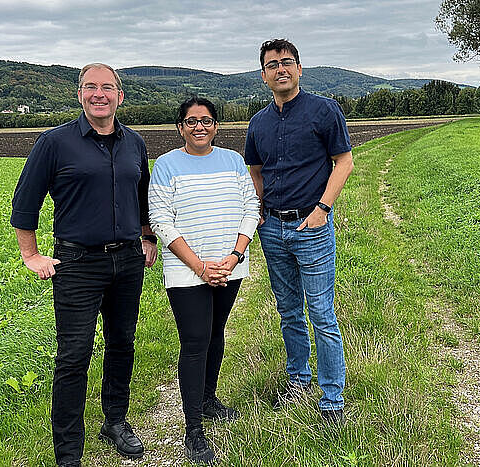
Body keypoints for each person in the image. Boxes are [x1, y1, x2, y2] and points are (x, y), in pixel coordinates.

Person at [10, 63, 157, 467]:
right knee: (74, 355)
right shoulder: (54, 142)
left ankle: (115, 421)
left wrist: (147, 237)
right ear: (79, 94)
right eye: (90, 87)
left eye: (107, 87)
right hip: (76, 263)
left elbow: (142, 196)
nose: (99, 94)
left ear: (120, 96)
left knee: (122, 343)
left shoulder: (135, 143)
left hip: (127, 260)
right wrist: (30, 255)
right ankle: (68, 452)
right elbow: (25, 203)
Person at [244, 39, 354, 423]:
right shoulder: (258, 123)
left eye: (286, 62)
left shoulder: (324, 111)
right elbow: (256, 171)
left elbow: (344, 162)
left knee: (322, 313)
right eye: (272, 65)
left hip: (312, 225)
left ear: (300, 68)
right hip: (272, 228)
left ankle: (332, 401)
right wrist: (257, 212)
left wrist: (323, 209)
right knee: (289, 311)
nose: (280, 69)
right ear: (264, 75)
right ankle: (298, 382)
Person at [148, 97, 259, 463]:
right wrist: (199, 266)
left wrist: (235, 255)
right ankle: (193, 429)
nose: (200, 127)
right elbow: (161, 220)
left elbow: (251, 207)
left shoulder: (232, 161)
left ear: (216, 126)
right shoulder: (166, 165)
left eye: (207, 121)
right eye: (192, 121)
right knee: (195, 341)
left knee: (216, 333)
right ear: (180, 127)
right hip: (186, 271)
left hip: (229, 266)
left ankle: (209, 399)